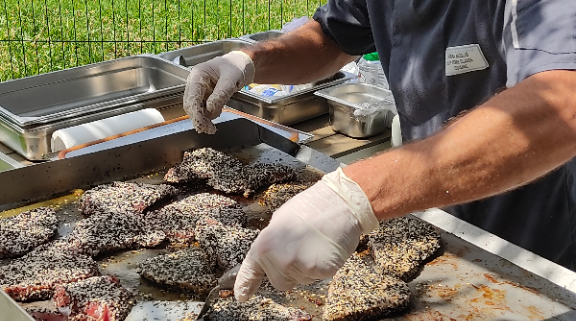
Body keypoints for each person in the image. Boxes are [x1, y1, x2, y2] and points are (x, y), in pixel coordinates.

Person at [183, 0, 576, 302]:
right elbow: (331, 37)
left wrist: (354, 197)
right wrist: (250, 60)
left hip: (534, 241)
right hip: (432, 210)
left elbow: (562, 104)